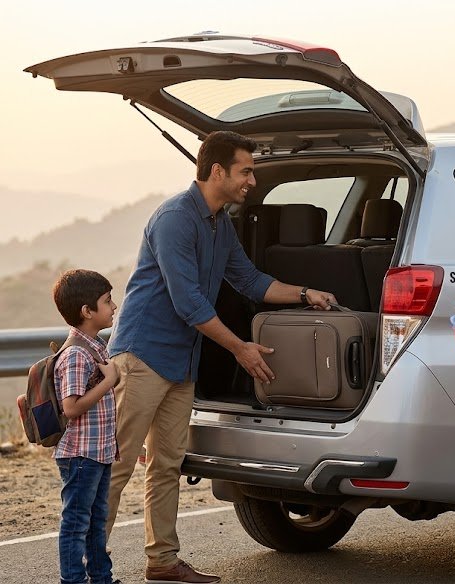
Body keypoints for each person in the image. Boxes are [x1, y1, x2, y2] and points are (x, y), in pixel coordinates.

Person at [104, 131, 337, 584]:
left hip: (181, 361)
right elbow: (188, 301)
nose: (252, 179)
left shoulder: (219, 222)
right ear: (216, 171)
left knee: (167, 464)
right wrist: (240, 349)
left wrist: (306, 294)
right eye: (246, 170)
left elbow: (249, 281)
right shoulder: (174, 219)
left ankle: (163, 561)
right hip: (143, 356)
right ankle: (89, 565)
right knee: (117, 466)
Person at [51, 269, 121, 584]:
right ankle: (74, 580)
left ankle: (101, 577)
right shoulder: (77, 354)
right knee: (77, 523)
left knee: (96, 521)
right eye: (107, 301)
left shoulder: (94, 345)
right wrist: (110, 381)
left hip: (98, 451)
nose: (114, 306)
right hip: (81, 454)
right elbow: (72, 407)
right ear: (87, 312)